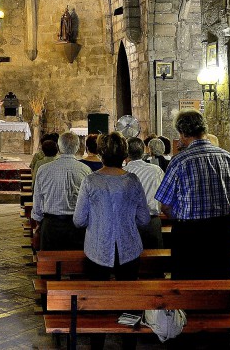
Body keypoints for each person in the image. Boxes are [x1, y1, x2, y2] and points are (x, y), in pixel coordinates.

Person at [73, 132, 148, 350]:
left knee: (98, 300)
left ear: (101, 154)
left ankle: (97, 344)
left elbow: (78, 220)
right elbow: (144, 219)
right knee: (129, 300)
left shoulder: (91, 180)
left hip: (98, 248)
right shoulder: (132, 180)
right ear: (124, 154)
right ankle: (128, 344)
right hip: (128, 247)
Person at [155, 109, 230, 279]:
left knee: (187, 284)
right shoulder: (227, 157)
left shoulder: (179, 161)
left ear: (182, 133)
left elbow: (165, 205)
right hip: (222, 233)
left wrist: (182, 219)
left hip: (190, 236)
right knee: (220, 283)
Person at [31, 132, 90, 251]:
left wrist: (38, 222)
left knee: (50, 261)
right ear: (78, 147)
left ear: (58, 147)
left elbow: (37, 200)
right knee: (75, 261)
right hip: (77, 227)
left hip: (51, 225)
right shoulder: (86, 170)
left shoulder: (44, 170)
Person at [124, 137, 165, 249]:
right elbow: (164, 195)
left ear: (126, 153)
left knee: (129, 256)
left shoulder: (122, 172)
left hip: (128, 222)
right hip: (151, 222)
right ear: (143, 151)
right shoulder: (156, 170)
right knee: (154, 258)